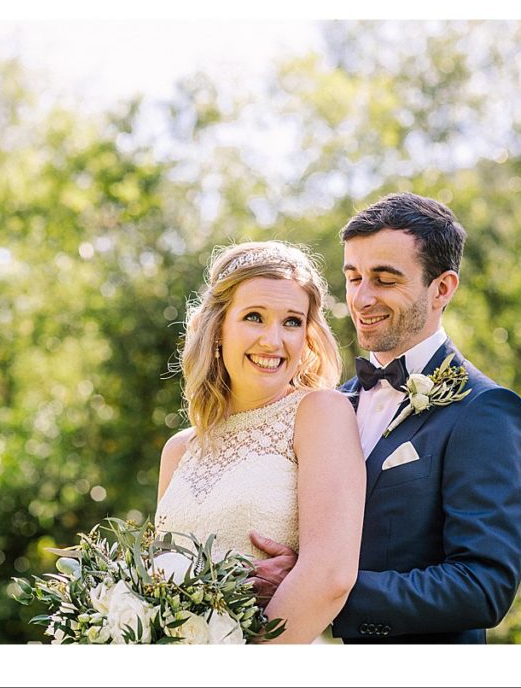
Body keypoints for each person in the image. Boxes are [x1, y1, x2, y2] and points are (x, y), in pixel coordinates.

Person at [252, 192, 521, 643]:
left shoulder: (485, 411)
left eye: (384, 280)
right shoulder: (330, 406)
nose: (361, 298)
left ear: (441, 288)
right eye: (353, 277)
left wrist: (323, 588)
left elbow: (484, 586)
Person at [155, 240, 365, 644]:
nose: (273, 340)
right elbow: (155, 582)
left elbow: (331, 576)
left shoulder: (321, 413)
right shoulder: (178, 450)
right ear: (217, 329)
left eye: (291, 321)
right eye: (254, 317)